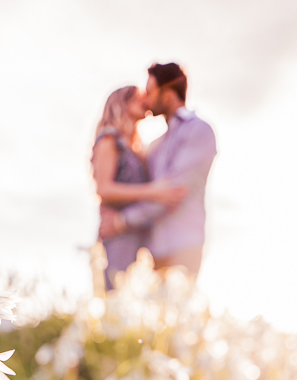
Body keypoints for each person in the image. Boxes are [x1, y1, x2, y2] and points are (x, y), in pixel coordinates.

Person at [100, 63, 217, 277]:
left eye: (150, 92)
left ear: (167, 94)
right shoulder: (155, 146)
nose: (145, 99)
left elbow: (173, 193)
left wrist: (121, 221)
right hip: (151, 252)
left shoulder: (199, 130)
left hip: (183, 246)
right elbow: (151, 191)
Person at [91, 85, 187, 289]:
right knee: (115, 297)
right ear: (121, 104)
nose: (144, 102)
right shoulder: (110, 138)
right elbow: (104, 189)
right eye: (137, 99)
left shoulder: (135, 146)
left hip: (138, 234)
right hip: (118, 236)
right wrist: (153, 192)